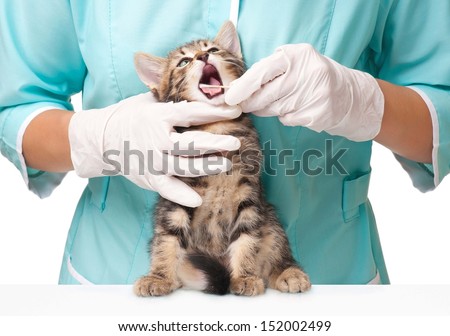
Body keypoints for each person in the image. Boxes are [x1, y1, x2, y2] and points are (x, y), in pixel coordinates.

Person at [0, 0, 448, 285]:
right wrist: (95, 138)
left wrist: (363, 101)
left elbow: (440, 111)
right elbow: (14, 108)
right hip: (114, 282)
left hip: (327, 282)